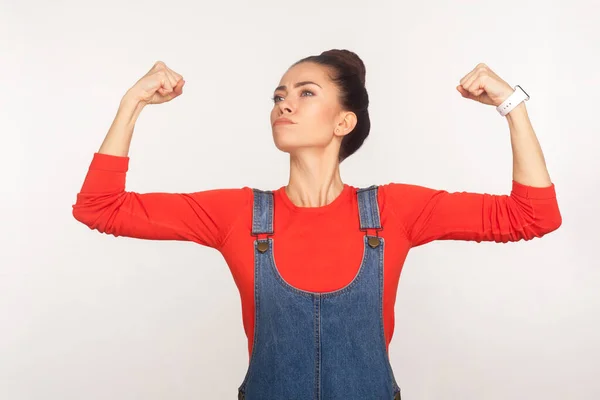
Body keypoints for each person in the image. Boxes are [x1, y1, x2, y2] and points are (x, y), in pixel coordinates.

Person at [72, 49, 562, 400]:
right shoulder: (237, 215)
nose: (284, 103)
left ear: (343, 122)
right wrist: (132, 102)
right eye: (279, 94)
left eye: (306, 93)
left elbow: (532, 215)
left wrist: (511, 105)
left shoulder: (395, 211)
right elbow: (100, 207)